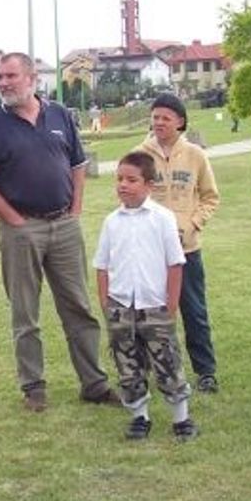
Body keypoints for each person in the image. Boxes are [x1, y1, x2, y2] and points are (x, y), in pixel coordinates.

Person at [0, 52, 119, 412]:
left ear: (32, 78)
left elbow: (77, 165)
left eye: (10, 76)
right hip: (21, 230)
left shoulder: (60, 115)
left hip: (64, 227)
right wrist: (14, 219)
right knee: (25, 312)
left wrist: (76, 210)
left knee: (79, 307)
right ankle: (33, 388)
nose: (3, 83)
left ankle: (94, 384)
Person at [94, 152, 196, 441]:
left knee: (167, 362)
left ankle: (181, 419)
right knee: (127, 364)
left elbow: (175, 264)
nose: (123, 185)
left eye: (131, 180)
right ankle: (139, 416)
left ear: (149, 185)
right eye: (119, 179)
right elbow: (101, 266)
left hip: (155, 306)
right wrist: (106, 302)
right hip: (121, 307)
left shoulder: (162, 219)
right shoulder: (112, 222)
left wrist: (171, 305)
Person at [136, 94, 221, 393]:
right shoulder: (140, 154)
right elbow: (131, 195)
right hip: (150, 251)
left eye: (165, 118)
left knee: (194, 310)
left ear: (180, 122)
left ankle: (206, 371)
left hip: (186, 250)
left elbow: (210, 197)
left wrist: (193, 223)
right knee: (149, 312)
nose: (158, 122)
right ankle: (145, 370)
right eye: (155, 117)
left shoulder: (196, 155)